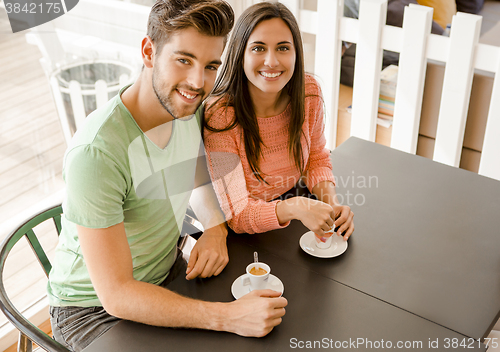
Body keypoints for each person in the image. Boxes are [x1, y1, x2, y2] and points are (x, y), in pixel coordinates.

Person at [47, 1, 287, 350]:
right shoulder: (96, 154)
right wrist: (226, 317)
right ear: (149, 51)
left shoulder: (187, 107)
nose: (197, 81)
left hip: (166, 272)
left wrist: (214, 228)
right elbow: (116, 294)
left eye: (210, 66)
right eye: (183, 60)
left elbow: (195, 172)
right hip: (91, 310)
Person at [204, 2, 355, 242]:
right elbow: (239, 215)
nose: (272, 61)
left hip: (294, 223)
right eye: (258, 48)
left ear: (296, 54)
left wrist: (332, 204)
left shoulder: (309, 93)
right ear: (240, 53)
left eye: (283, 48)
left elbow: (316, 157)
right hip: (248, 238)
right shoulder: (222, 115)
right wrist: (295, 208)